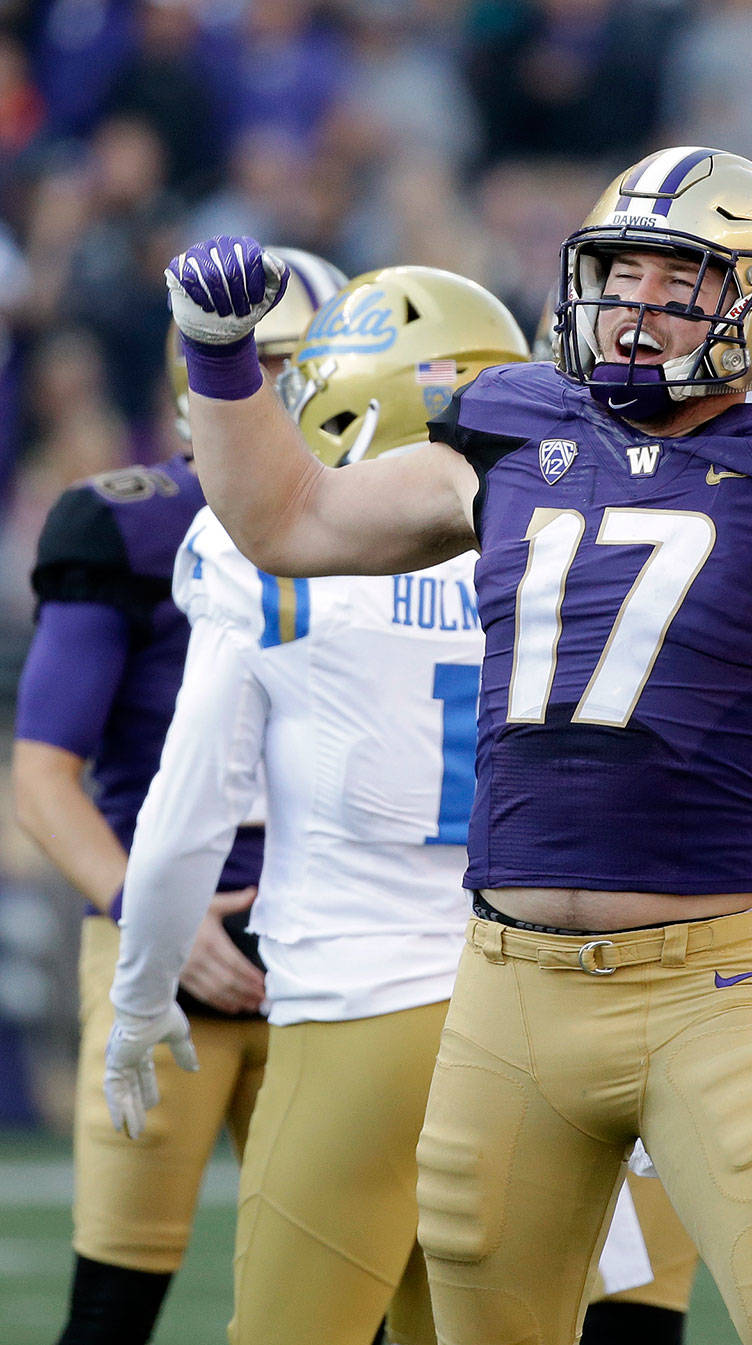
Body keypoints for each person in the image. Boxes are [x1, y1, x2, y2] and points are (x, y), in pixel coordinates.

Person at [137, 145, 752, 1345]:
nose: (634, 307)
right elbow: (289, 518)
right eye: (617, 275)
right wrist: (222, 365)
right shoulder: (511, 428)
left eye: (675, 281)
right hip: (506, 995)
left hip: (713, 991)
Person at [104, 266, 698, 1345]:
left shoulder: (262, 557)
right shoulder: (567, 543)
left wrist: (141, 993)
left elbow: (187, 812)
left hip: (355, 1017)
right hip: (526, 1019)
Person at [11, 245, 346, 1345]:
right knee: (113, 1305)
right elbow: (42, 772)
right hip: (163, 948)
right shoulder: (134, 524)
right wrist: (145, 915)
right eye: (268, 364)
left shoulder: (403, 535)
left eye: (310, 364)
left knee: (354, 1304)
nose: (291, 394)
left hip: (344, 953)